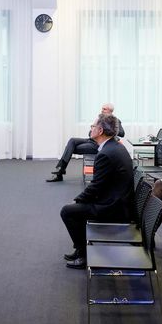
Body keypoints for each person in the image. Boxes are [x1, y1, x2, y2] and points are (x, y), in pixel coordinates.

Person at [60, 114, 135, 269]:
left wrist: (77, 200)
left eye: (93, 126)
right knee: (77, 208)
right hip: (119, 200)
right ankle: (81, 249)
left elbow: (96, 186)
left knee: (67, 211)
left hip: (113, 208)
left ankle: (83, 254)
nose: (91, 128)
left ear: (100, 131)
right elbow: (99, 185)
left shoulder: (105, 153)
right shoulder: (114, 147)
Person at [47, 103, 125, 182]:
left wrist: (109, 127)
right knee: (72, 141)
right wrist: (93, 130)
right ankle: (61, 169)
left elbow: (122, 133)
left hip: (97, 144)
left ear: (110, 111)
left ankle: (60, 172)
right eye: (102, 108)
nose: (102, 110)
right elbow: (91, 132)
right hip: (91, 140)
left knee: (70, 149)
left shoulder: (115, 121)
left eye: (104, 109)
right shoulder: (100, 119)